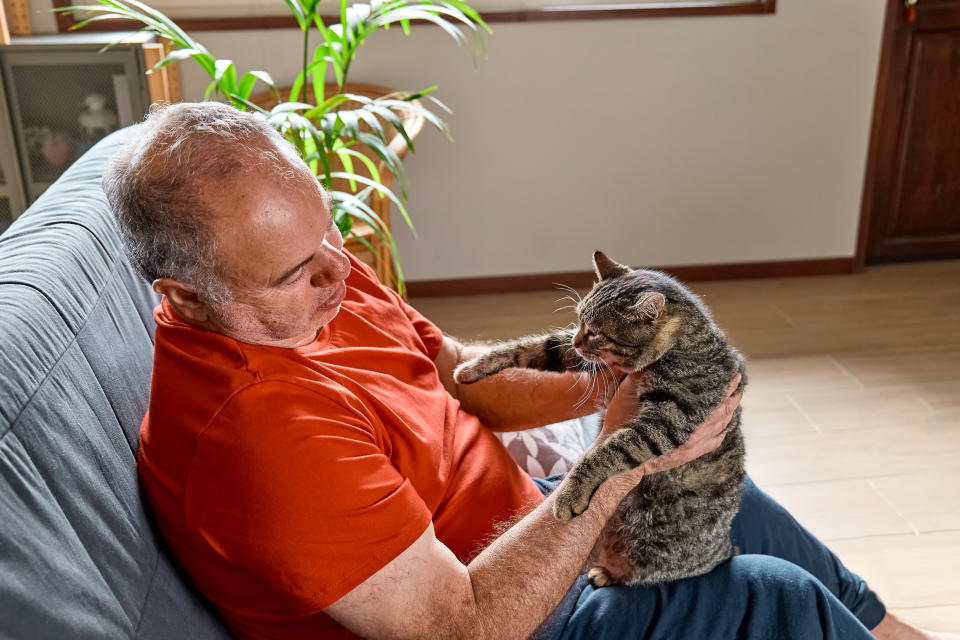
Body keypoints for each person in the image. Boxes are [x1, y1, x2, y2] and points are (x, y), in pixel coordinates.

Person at [106, 102, 952, 640]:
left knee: (728, 493)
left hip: (514, 527)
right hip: (489, 613)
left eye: (327, 235)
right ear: (187, 293)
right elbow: (460, 626)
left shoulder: (312, 282)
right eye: (298, 269)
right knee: (769, 597)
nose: (341, 270)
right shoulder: (256, 431)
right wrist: (620, 461)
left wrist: (624, 382)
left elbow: (465, 379)